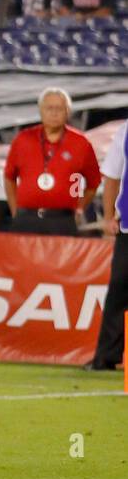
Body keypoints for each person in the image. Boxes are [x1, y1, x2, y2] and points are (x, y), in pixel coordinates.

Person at [2, 88, 99, 236]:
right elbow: (9, 177)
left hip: (63, 220)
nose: (54, 113)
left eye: (59, 108)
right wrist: (15, 210)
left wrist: (80, 208)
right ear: (40, 110)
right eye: (49, 108)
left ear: (68, 111)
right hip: (26, 219)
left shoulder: (81, 143)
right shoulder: (23, 140)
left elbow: (93, 182)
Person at [87, 121, 128, 371]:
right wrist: (109, 214)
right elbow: (112, 176)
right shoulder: (126, 130)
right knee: (119, 290)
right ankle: (106, 356)